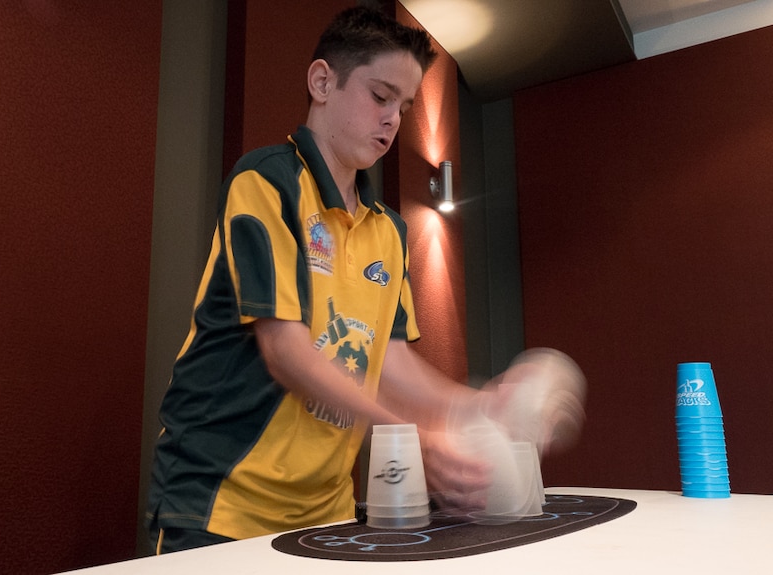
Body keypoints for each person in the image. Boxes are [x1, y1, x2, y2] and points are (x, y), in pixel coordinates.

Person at [146, 6, 585, 555]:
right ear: (323, 81)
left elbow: (390, 364)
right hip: (219, 503)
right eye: (381, 96)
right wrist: (412, 438)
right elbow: (287, 351)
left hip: (325, 512)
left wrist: (480, 407)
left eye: (402, 106)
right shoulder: (266, 183)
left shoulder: (390, 231)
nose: (393, 120)